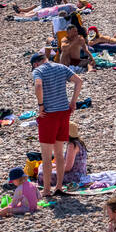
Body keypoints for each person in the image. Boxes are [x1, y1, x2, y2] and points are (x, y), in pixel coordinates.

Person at [32, 51, 84, 198]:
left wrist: (41, 105)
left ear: (36, 63)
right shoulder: (61, 67)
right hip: (63, 113)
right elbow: (79, 81)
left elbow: (38, 86)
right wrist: (73, 101)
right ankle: (59, 187)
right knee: (59, 154)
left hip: (49, 115)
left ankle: (47, 189)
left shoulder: (38, 70)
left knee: (47, 156)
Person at [38, 120, 88, 189]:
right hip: (81, 174)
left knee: (42, 174)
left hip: (74, 176)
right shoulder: (79, 142)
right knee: (43, 165)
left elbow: (68, 168)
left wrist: (55, 169)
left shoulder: (72, 145)